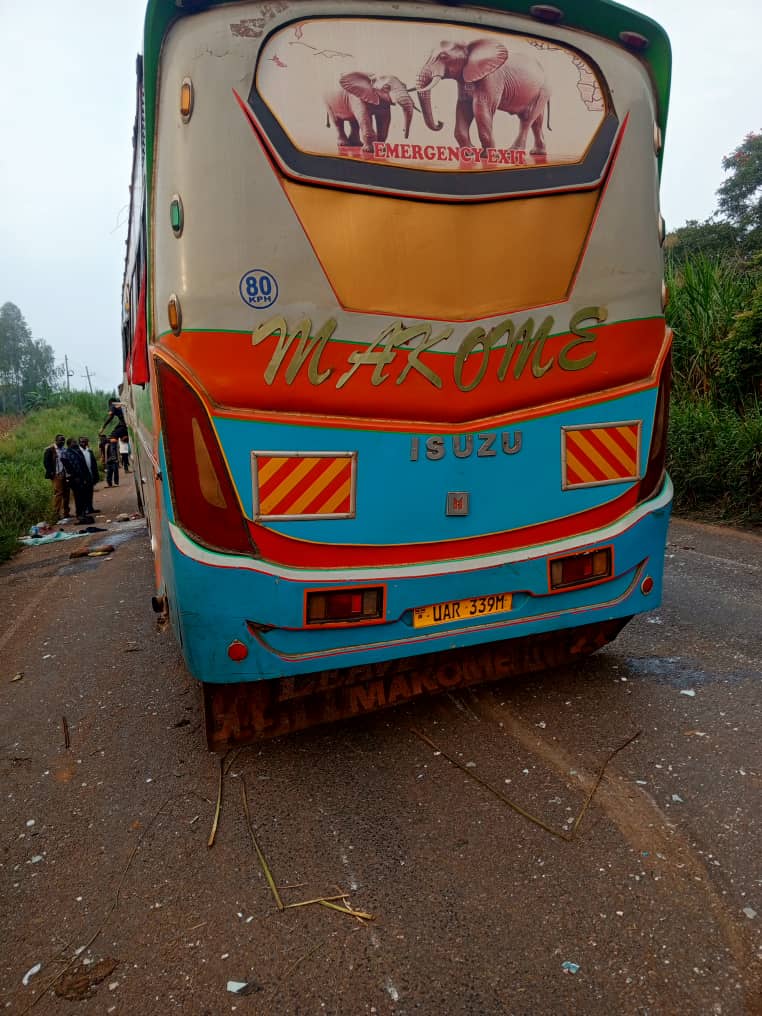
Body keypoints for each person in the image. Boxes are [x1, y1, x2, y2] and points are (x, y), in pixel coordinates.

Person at [61, 438, 91, 523]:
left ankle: (82, 513)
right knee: (78, 496)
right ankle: (79, 514)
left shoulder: (76, 451)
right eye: (74, 442)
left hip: (80, 477)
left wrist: (85, 476)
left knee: (82, 496)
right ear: (69, 444)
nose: (76, 443)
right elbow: (67, 466)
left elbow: (82, 464)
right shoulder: (65, 453)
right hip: (74, 478)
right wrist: (74, 476)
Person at [43, 434, 71, 521]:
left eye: (63, 440)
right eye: (60, 440)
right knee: (58, 493)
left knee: (66, 493)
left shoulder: (64, 450)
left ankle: (66, 513)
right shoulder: (50, 450)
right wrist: (52, 473)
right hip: (56, 474)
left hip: (65, 474)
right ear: (56, 440)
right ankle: (56, 514)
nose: (62, 442)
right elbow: (46, 463)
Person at [78, 436, 100, 514]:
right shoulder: (78, 452)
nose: (83, 443)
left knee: (90, 493)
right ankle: (85, 509)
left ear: (87, 442)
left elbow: (94, 464)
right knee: (84, 494)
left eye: (85, 442)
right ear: (79, 443)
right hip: (83, 476)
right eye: (82, 442)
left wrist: (96, 475)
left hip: (90, 475)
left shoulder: (89, 451)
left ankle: (90, 508)